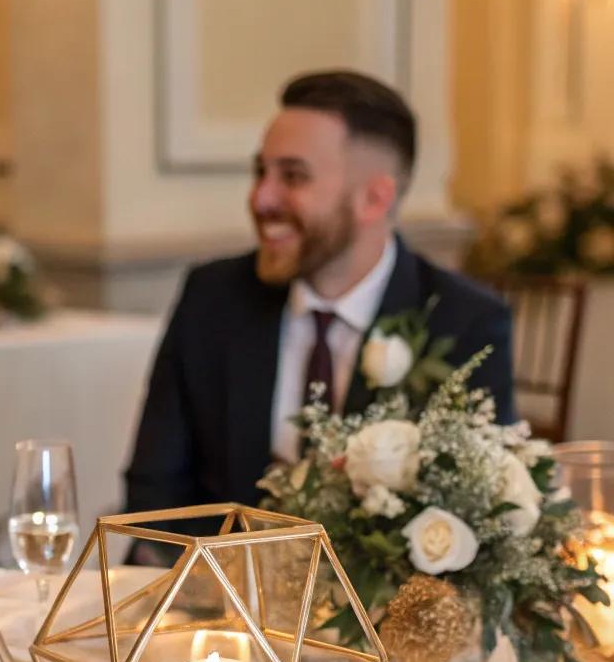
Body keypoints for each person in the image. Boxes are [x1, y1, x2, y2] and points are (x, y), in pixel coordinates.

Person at [125, 70, 515, 516]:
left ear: (374, 199)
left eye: (292, 177)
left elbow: (476, 518)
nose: (261, 198)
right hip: (224, 582)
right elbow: (153, 495)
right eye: (260, 172)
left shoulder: (464, 322)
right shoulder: (212, 299)